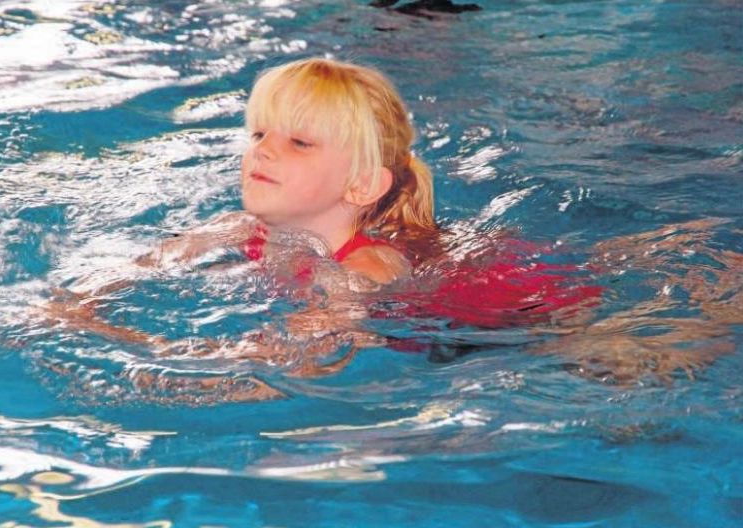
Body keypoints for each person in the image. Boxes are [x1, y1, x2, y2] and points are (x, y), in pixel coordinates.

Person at [47, 58, 734, 402]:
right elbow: (139, 263)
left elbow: (298, 364)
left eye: (298, 142)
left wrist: (137, 352)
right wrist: (79, 303)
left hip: (518, 312)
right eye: (258, 132)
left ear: (362, 187)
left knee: (635, 377)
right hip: (459, 279)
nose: (262, 151)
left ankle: (714, 292)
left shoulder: (364, 269)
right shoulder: (238, 229)